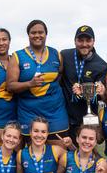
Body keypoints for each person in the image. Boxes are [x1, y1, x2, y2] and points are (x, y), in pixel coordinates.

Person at [7, 20, 72, 149]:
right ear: (28, 35)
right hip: (29, 113)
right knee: (33, 154)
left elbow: (60, 75)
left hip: (55, 112)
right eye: (33, 32)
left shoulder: (56, 54)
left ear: (46, 34)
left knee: (59, 153)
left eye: (41, 32)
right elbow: (10, 86)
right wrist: (29, 84)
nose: (37, 35)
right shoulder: (17, 56)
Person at [60, 25, 107, 142]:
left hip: (87, 118)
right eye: (80, 40)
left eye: (88, 40)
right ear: (75, 41)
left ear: (93, 41)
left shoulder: (101, 65)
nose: (84, 44)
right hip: (65, 116)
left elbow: (99, 96)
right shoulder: (65, 55)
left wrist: (99, 92)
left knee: (87, 152)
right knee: (68, 154)